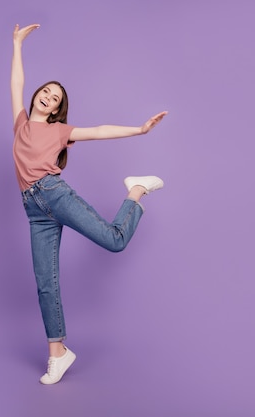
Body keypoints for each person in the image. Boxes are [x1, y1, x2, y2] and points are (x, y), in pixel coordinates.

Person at [11, 23, 168, 385]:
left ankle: (137, 190)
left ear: (56, 111)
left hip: (54, 194)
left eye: (55, 98)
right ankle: (58, 354)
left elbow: (98, 130)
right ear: (37, 96)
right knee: (45, 283)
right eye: (46, 91)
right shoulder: (20, 123)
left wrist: (139, 130)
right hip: (34, 211)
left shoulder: (60, 132)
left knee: (114, 240)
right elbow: (16, 83)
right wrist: (17, 44)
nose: (48, 96)